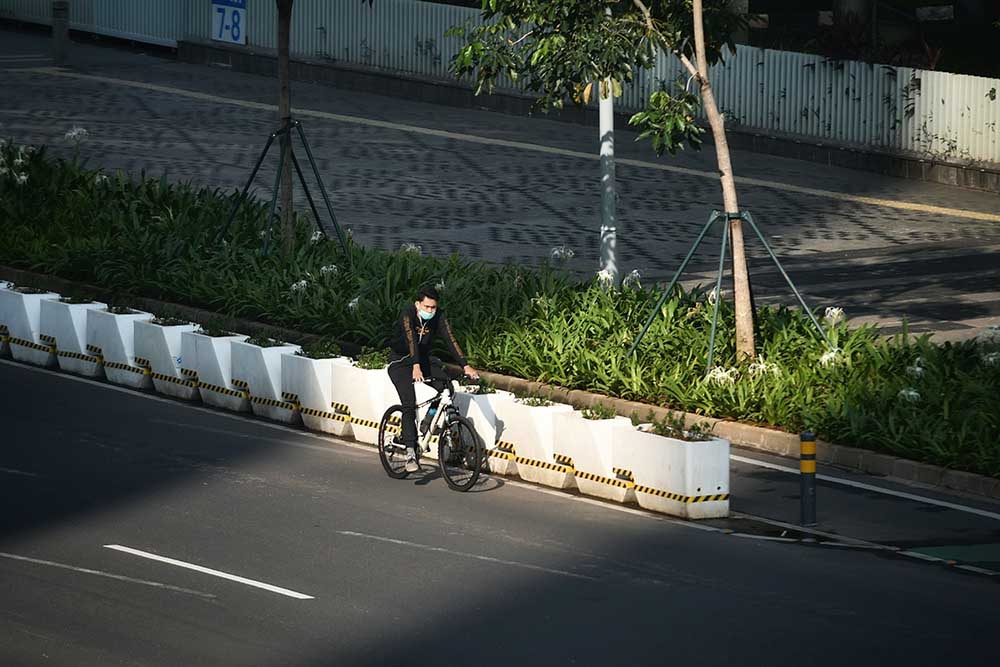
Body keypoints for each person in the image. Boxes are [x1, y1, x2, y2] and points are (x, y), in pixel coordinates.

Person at [388, 286, 479, 472]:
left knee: (447, 388)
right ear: (418, 304)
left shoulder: (438, 316)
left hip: (422, 361)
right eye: (427, 307)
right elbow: (411, 338)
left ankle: (427, 423)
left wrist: (465, 365)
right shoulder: (408, 314)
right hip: (400, 362)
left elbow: (450, 339)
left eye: (433, 307)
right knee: (409, 404)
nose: (430, 311)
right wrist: (415, 366)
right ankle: (411, 454)